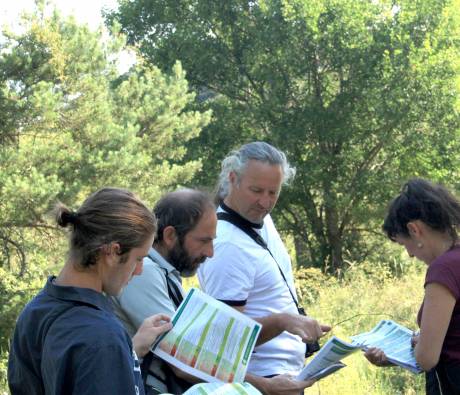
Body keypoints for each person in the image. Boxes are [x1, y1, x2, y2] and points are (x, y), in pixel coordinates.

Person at [112, 188, 315, 395]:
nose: (210, 253)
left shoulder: (167, 275)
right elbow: (183, 361)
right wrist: (264, 385)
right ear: (170, 235)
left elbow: (213, 349)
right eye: (203, 241)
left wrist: (282, 322)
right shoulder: (145, 273)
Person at [8, 187, 172, 395]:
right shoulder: (102, 338)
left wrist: (130, 350)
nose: (139, 271)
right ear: (113, 252)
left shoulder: (34, 312)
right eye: (138, 259)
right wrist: (115, 352)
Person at [198, 141, 331, 380]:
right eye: (256, 191)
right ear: (232, 179)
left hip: (285, 373)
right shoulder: (227, 245)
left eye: (274, 192)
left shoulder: (258, 217)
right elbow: (228, 337)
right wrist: (282, 321)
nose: (265, 202)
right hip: (260, 379)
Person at [365, 178, 460, 394]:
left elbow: (427, 359)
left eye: (403, 243)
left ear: (414, 230)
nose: (409, 253)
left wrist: (417, 343)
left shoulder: (443, 270)